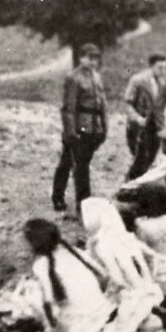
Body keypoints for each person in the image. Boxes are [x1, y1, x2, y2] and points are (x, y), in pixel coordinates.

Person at [22, 218, 117, 332]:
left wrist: (52, 327)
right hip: (103, 309)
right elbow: (104, 275)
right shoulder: (74, 251)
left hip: (78, 320)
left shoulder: (41, 265)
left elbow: (47, 302)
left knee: (31, 291)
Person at [81, 198, 164, 332]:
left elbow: (116, 277)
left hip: (125, 294)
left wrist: (111, 291)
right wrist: (149, 277)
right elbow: (153, 256)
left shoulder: (101, 244)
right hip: (147, 289)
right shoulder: (126, 236)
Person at [51, 43, 108, 213]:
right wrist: (70, 132)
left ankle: (60, 196)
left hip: (93, 128)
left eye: (96, 59)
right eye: (89, 58)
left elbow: (102, 105)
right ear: (81, 58)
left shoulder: (96, 77)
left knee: (69, 161)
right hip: (78, 128)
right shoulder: (73, 78)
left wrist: (104, 127)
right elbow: (69, 108)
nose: (93, 62)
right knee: (79, 166)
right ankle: (81, 203)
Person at [124, 54, 166, 180]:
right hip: (139, 126)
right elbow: (128, 104)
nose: (163, 71)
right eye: (160, 67)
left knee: (149, 160)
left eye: (165, 68)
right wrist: (137, 118)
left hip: (156, 127)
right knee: (139, 159)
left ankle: (136, 186)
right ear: (151, 66)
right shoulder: (138, 80)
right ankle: (129, 184)